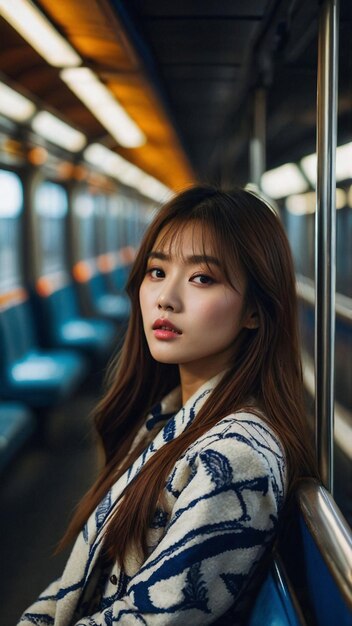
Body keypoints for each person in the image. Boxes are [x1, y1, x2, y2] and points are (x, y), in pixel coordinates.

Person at [18, 185, 317, 625]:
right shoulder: (173, 412)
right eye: (156, 271)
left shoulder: (236, 458)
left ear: (255, 310)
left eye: (202, 278)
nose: (166, 298)